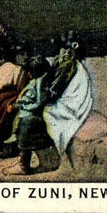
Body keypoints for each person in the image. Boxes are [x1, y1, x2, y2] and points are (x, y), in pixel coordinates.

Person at [42, 34, 94, 168]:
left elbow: (54, 91)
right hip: (76, 103)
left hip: (71, 107)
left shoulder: (68, 65)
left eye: (70, 52)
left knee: (44, 113)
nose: (66, 54)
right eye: (64, 50)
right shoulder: (69, 64)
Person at [11, 56, 56, 175]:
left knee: (24, 134)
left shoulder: (40, 83)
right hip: (27, 114)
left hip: (31, 116)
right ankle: (23, 163)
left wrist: (23, 107)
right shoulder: (37, 81)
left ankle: (23, 166)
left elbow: (39, 102)